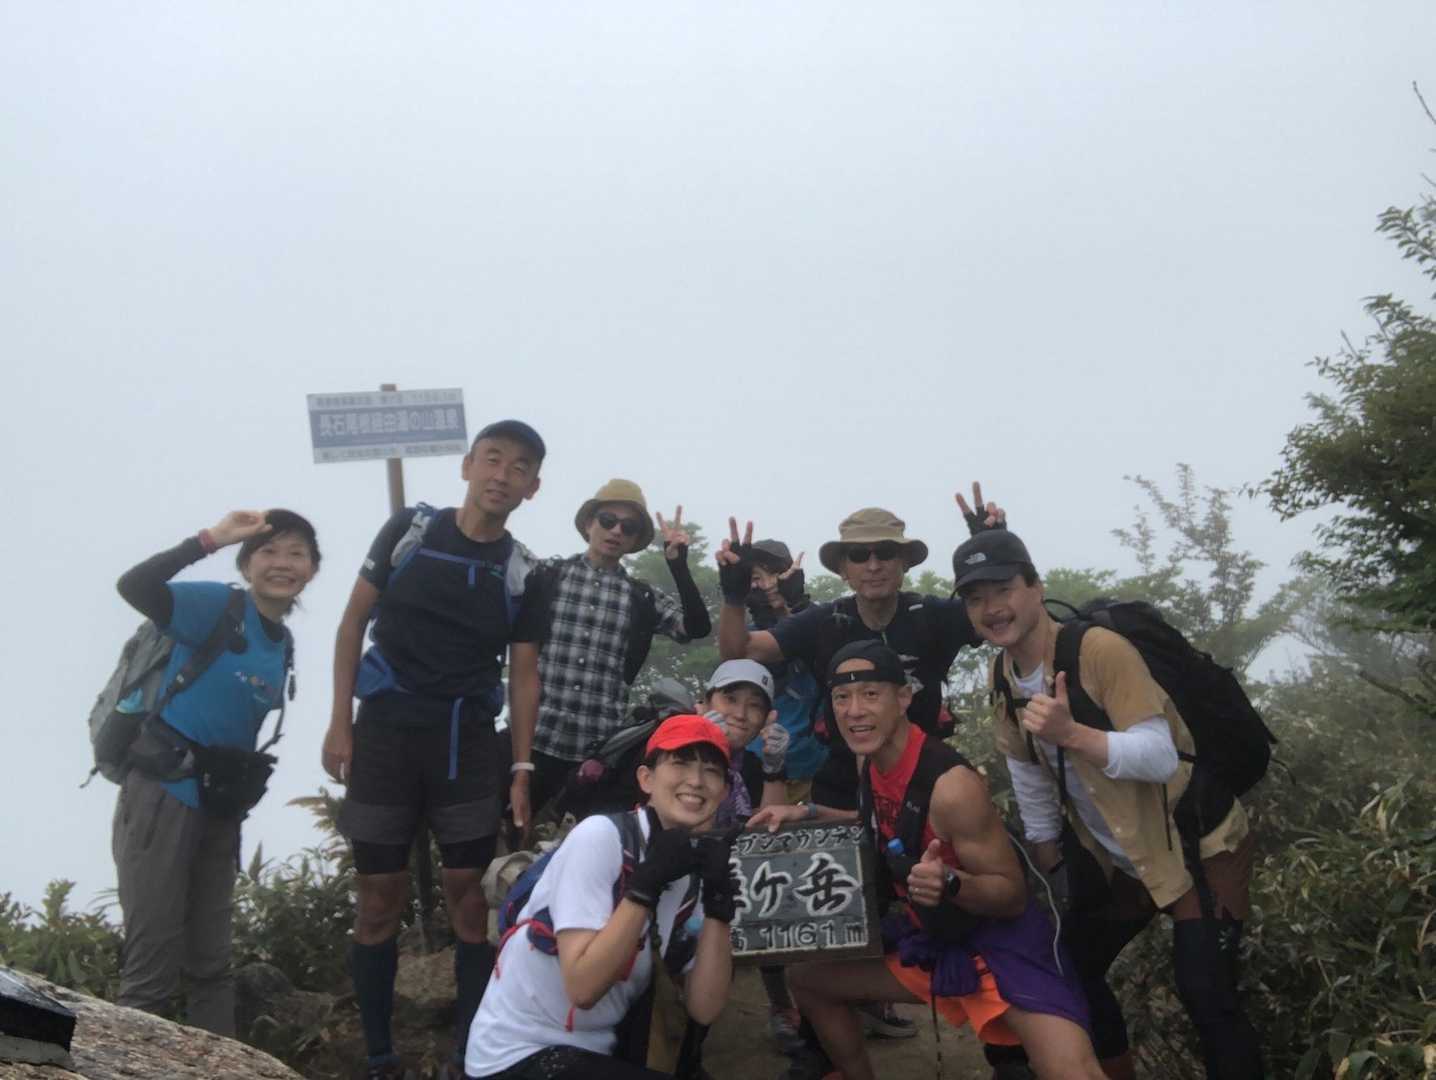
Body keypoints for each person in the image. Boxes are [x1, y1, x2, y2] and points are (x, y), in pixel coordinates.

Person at [953, 528, 1263, 1080]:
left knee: (1208, 994)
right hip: (1117, 853)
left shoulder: (1098, 650)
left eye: (1003, 589)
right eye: (976, 598)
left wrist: (1072, 733)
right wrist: (1047, 855)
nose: (991, 608)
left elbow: (1159, 755)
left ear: (1035, 587)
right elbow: (1027, 768)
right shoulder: (1002, 674)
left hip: (1196, 841)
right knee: (1073, 966)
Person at [749, 642, 1104, 1080]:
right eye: (842, 697)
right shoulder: (871, 762)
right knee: (808, 980)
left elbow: (1012, 895)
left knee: (1073, 1071)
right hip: (934, 939)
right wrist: (806, 813)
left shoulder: (952, 786)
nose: (854, 711)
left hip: (1001, 947)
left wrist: (951, 882)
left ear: (903, 698)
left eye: (870, 694)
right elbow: (880, 819)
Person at [322, 419, 545, 1080]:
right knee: (378, 898)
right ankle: (379, 1056)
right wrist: (339, 722)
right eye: (493, 459)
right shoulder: (409, 531)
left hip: (465, 742)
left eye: (519, 467)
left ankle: (470, 1054)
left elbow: (523, 675)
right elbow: (352, 622)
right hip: (385, 734)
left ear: (532, 487)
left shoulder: (524, 572)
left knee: (469, 898)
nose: (502, 475)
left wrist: (522, 768)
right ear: (467, 465)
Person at [112, 508, 320, 1035]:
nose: (283, 563)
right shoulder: (216, 608)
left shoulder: (281, 643)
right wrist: (210, 539)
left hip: (220, 807)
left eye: (297, 553)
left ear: (313, 570)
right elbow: (135, 586)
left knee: (211, 963)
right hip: (163, 794)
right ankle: (126, 1064)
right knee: (151, 965)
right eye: (269, 551)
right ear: (246, 565)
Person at [465, 715, 740, 1079]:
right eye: (681, 763)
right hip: (517, 1054)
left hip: (597, 1053)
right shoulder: (600, 837)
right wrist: (645, 885)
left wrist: (719, 905)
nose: (696, 780)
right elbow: (582, 988)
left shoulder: (693, 875)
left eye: (712, 771)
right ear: (646, 778)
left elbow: (704, 1007)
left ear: (723, 791)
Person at [508, 481, 711, 835]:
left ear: (634, 540)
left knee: (591, 848)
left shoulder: (641, 597)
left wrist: (678, 566)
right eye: (607, 520)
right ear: (589, 523)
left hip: (600, 753)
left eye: (628, 527)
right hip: (538, 741)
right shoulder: (548, 576)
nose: (616, 531)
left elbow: (695, 627)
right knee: (514, 844)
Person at [741, 541, 826, 802]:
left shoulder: (821, 620)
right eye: (757, 578)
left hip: (818, 768)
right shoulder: (747, 637)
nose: (769, 584)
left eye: (776, 573)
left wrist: (797, 604)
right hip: (758, 768)